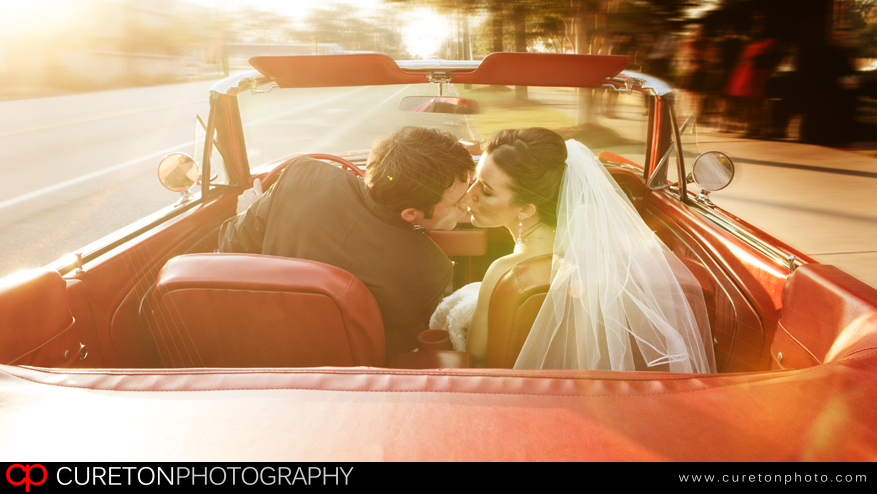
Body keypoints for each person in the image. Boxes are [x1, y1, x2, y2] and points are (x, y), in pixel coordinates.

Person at [431, 127, 716, 373]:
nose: (469, 195)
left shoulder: (504, 272)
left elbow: (478, 354)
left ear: (526, 209)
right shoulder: (608, 256)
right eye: (474, 181)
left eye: (486, 189)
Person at [218, 126, 476, 359]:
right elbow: (399, 351)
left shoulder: (301, 173)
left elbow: (230, 249)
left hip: (253, 347)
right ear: (410, 214)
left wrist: (247, 212)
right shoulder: (431, 269)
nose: (468, 204)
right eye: (457, 202)